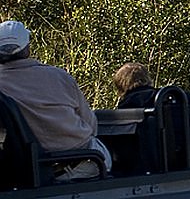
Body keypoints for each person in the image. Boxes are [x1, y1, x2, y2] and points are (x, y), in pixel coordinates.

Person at [0, 20, 111, 181]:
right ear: (27, 48)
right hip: (83, 161)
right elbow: (91, 124)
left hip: (28, 167)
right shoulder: (59, 77)